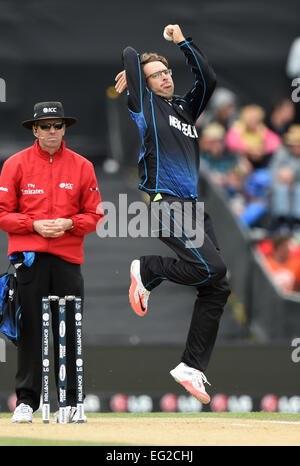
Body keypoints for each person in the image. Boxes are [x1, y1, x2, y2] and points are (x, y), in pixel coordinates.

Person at [115, 24, 230, 404]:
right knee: (212, 269)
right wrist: (134, 74)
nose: (165, 77)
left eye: (166, 72)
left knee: (217, 285)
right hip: (167, 204)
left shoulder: (184, 107)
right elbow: (130, 51)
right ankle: (148, 268)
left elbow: (208, 79)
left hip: (194, 206)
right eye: (156, 75)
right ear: (142, 85)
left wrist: (182, 42)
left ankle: (191, 367)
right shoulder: (143, 105)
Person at [0, 101, 104, 423]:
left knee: (69, 327)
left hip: (67, 257)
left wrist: (69, 224)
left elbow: (96, 214)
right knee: (30, 327)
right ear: (35, 129)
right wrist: (33, 225)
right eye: (45, 126)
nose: (52, 131)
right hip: (29, 258)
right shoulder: (15, 165)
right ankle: (26, 402)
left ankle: (71, 402)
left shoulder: (82, 166)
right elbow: (3, 213)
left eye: (57, 125)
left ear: (64, 129)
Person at [226, 104, 281, 170]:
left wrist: (262, 149)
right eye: (252, 120)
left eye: (257, 120)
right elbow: (231, 142)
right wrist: (250, 149)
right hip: (239, 161)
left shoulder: (261, 129)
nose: (255, 123)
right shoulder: (238, 128)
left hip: (259, 162)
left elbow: (276, 142)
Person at [269, 125, 300, 230]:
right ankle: (281, 223)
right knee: (281, 189)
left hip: (297, 185)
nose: (296, 147)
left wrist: (293, 175)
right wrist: (282, 177)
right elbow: (273, 172)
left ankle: (297, 224)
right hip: (281, 184)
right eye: (293, 144)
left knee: (298, 190)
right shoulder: (281, 152)